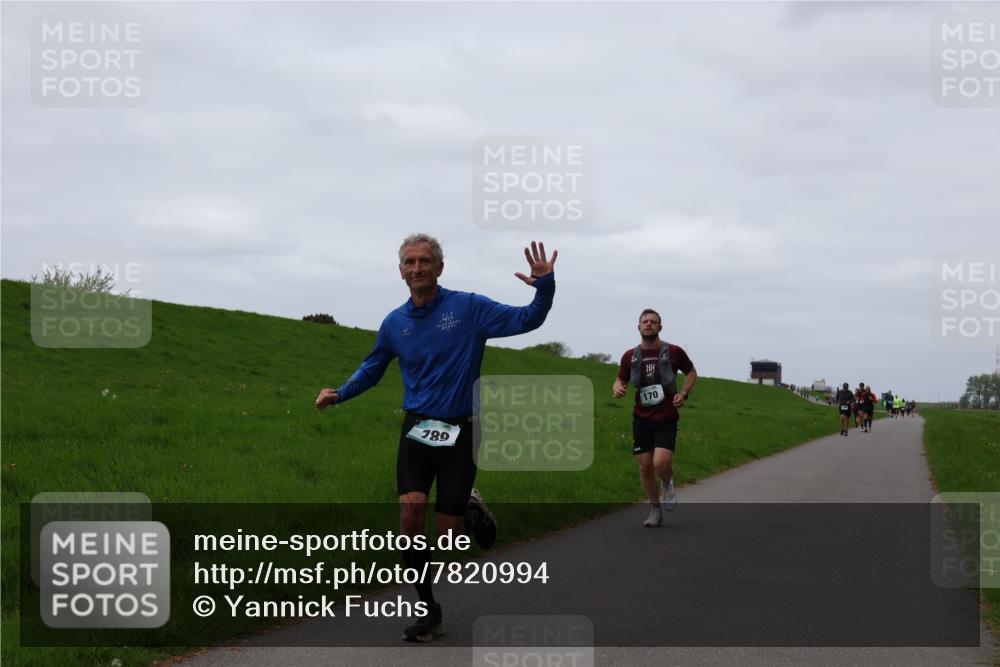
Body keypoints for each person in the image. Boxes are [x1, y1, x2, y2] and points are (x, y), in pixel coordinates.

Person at [315, 234, 557, 642]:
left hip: (461, 429)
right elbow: (372, 367)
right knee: (409, 518)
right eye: (409, 262)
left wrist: (545, 287)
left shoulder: (469, 308)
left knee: (449, 536)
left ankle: (471, 510)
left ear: (439, 268)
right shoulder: (395, 323)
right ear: (400, 271)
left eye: (424, 261)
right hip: (417, 429)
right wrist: (340, 393)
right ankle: (429, 609)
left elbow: (528, 319)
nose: (417, 268)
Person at [612, 309, 697, 527]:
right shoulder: (630, 356)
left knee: (660, 463)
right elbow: (620, 379)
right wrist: (618, 389)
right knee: (644, 467)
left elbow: (691, 372)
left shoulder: (674, 352)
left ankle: (667, 484)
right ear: (638, 327)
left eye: (653, 322)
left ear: (660, 327)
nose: (649, 324)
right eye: (645, 321)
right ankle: (655, 510)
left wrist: (684, 394)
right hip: (641, 418)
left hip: (666, 417)